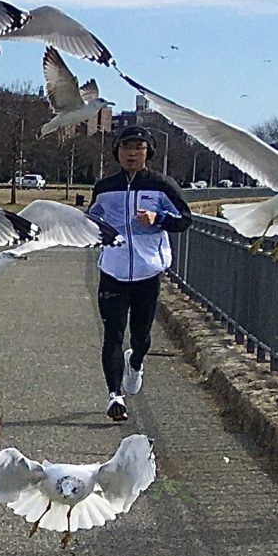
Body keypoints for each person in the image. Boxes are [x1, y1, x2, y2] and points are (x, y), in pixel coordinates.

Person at [83, 127, 190, 422]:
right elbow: (92, 220)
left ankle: (137, 361)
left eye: (139, 148)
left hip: (147, 271)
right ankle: (115, 396)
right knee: (113, 334)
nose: (132, 153)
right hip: (113, 270)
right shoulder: (105, 187)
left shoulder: (161, 185)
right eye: (126, 147)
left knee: (141, 336)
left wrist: (159, 218)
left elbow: (186, 220)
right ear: (117, 151)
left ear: (148, 152)